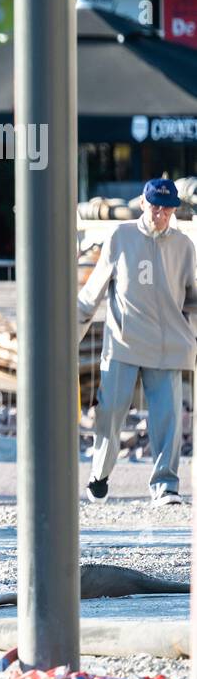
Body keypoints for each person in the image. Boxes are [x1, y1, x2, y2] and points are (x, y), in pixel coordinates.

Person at [77, 178, 195, 507]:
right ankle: (99, 474)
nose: (159, 214)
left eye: (166, 209)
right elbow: (91, 294)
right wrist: (70, 336)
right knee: (110, 412)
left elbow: (193, 295)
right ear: (143, 204)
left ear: (173, 210)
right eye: (154, 207)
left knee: (167, 417)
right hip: (123, 342)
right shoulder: (120, 236)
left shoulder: (185, 246)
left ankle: (165, 486)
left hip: (168, 345)